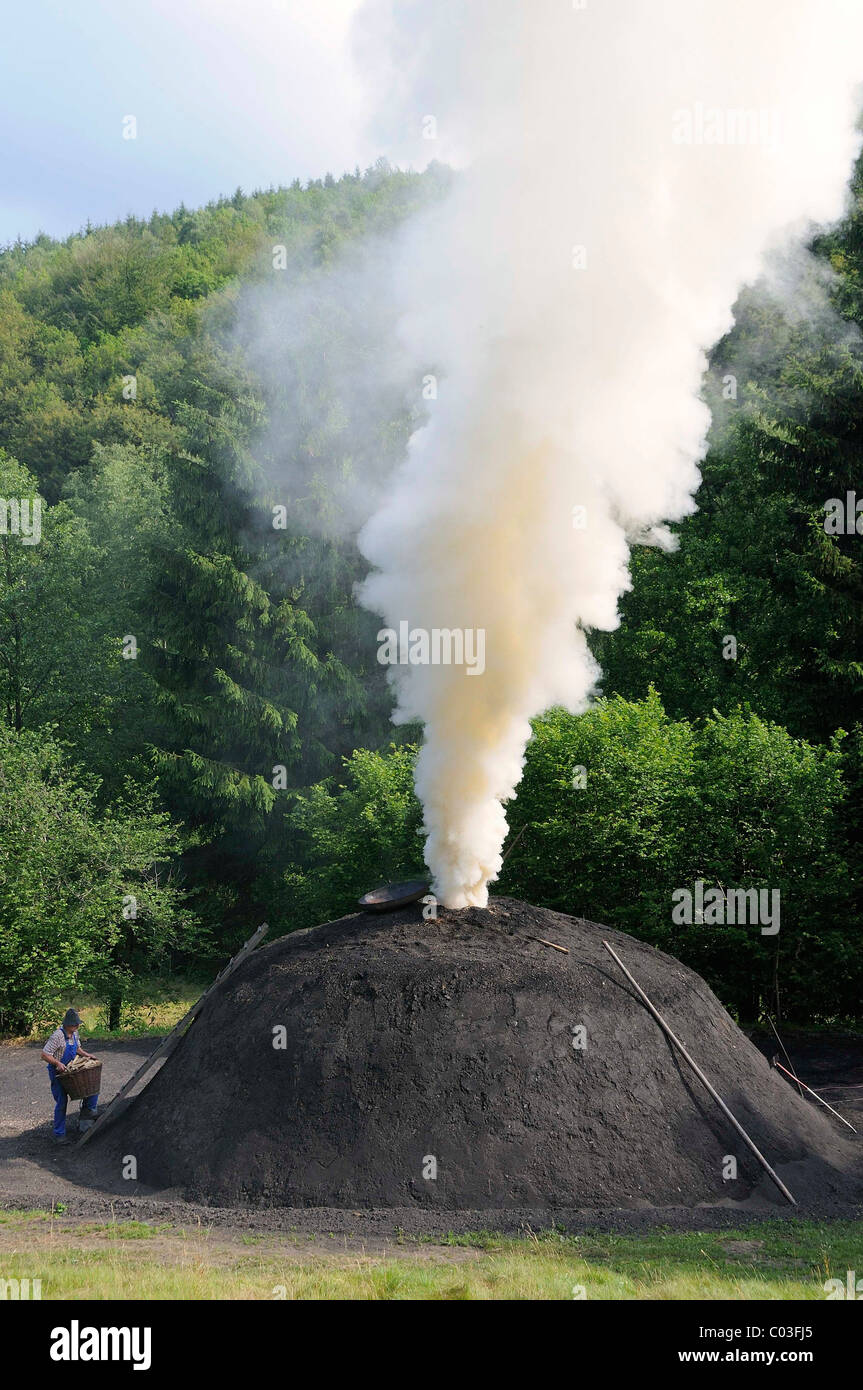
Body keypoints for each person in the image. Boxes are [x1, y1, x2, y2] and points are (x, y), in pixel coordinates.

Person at [40, 1008, 99, 1143]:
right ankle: (59, 1134)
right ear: (67, 1024)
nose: (77, 1026)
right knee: (61, 1102)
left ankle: (87, 1113)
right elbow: (44, 1054)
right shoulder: (57, 1036)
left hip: (72, 1069)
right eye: (75, 1024)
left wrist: (87, 1055)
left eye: (78, 1024)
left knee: (91, 1087)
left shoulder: (75, 1033)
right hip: (58, 1073)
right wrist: (57, 1063)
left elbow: (77, 1048)